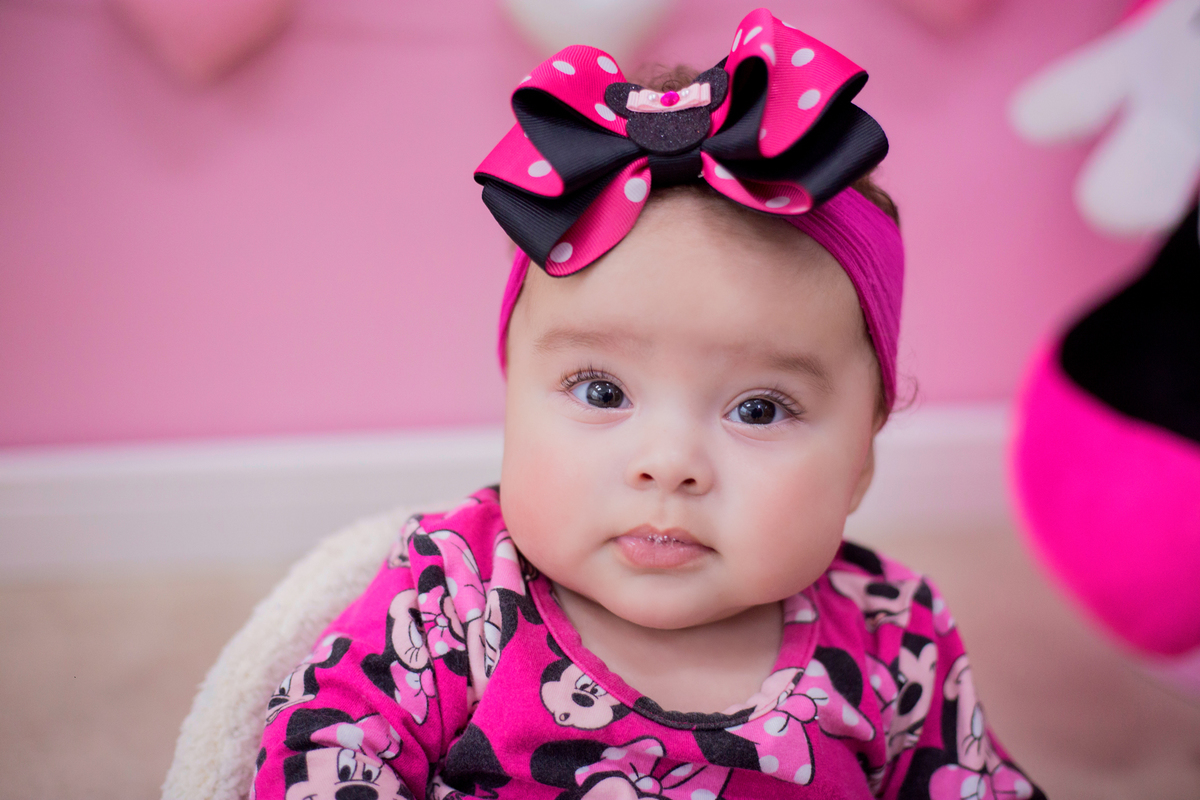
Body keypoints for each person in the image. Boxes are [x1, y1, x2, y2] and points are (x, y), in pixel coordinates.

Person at [250, 9, 1043, 799]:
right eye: (602, 392)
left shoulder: (890, 631)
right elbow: (328, 750)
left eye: (760, 409)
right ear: (512, 399)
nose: (669, 465)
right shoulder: (452, 593)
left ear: (862, 459)